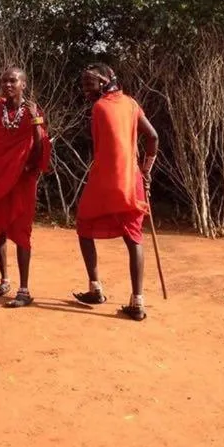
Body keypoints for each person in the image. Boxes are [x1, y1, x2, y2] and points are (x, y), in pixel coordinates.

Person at [74, 63, 159, 320]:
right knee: (134, 238)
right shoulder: (132, 104)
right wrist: (146, 169)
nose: (86, 90)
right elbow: (152, 137)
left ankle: (96, 288)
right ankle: (138, 301)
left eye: (90, 85)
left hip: (105, 182)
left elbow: (102, 147)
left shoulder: (99, 108)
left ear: (103, 83)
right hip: (132, 180)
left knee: (83, 226)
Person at [0, 67, 50, 307]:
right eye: (4, 80)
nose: (8, 84)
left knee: (20, 232)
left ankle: (24, 289)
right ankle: (4, 279)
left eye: (13, 81)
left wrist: (36, 121)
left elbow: (40, 147)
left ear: (23, 84)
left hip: (22, 181)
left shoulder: (32, 111)